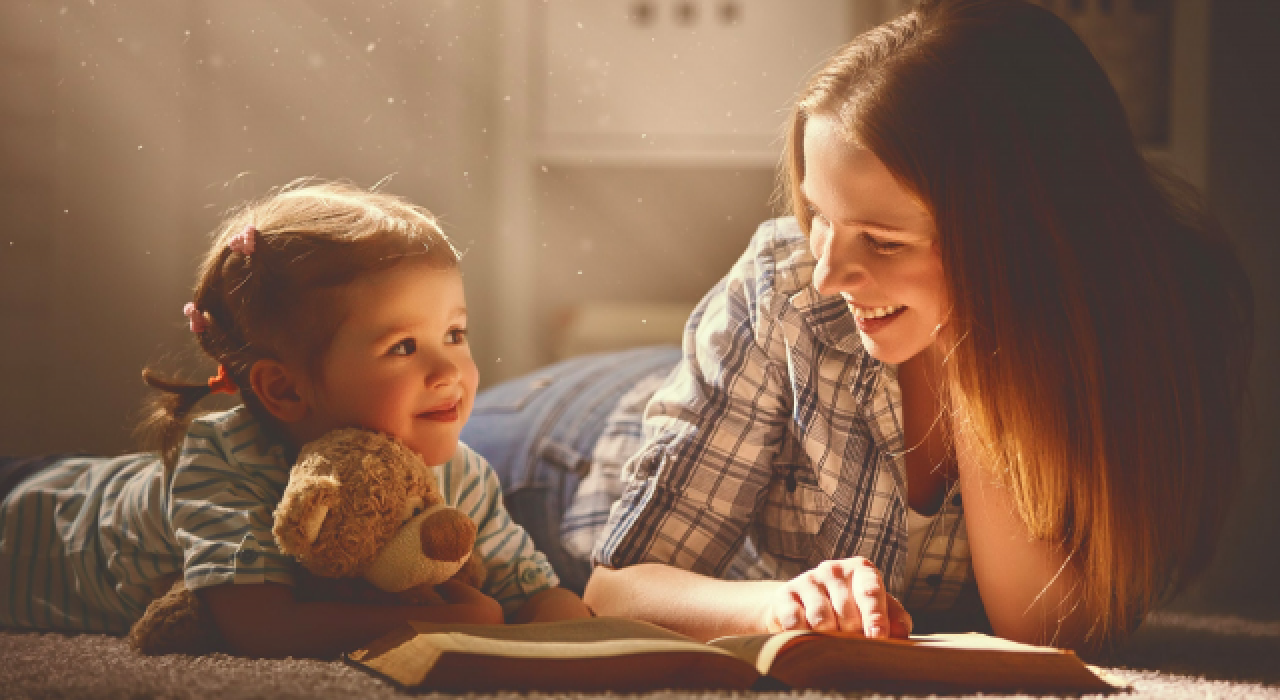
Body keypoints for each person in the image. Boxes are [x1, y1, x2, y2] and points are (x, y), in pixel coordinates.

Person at [463, 0, 1253, 656]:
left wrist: (980, 344)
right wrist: (779, 606)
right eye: (820, 218)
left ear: (1024, 242)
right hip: (557, 448)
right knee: (398, 475)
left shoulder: (1144, 326)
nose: (829, 275)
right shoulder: (786, 288)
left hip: (697, 383)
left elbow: (1046, 633)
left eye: (884, 240)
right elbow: (617, 589)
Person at [0, 181, 590, 658]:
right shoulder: (226, 457)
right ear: (283, 390)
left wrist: (573, 633)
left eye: (455, 334)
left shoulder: (464, 476)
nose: (450, 371)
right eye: (403, 347)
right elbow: (260, 628)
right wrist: (459, 620)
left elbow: (533, 591)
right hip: (35, 518)